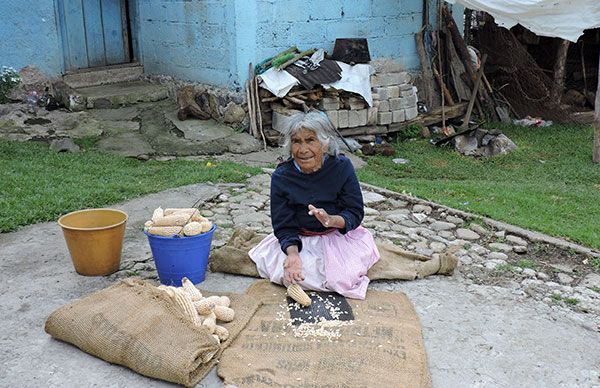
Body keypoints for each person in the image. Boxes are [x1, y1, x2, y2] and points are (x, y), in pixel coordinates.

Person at [248, 110, 380, 299]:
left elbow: (355, 212)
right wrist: (292, 255)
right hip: (299, 239)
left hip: (337, 237)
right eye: (296, 141)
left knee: (342, 278)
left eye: (310, 140)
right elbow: (283, 225)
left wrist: (331, 220)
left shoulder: (342, 167)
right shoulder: (282, 176)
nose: (303, 150)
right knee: (294, 274)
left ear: (325, 144)